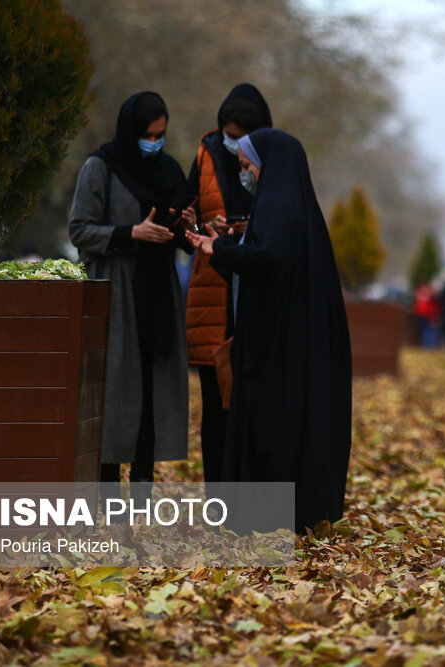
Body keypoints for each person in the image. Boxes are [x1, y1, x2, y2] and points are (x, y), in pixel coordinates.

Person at [186, 128, 352, 534]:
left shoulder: (275, 205)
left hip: (278, 347)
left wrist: (219, 249)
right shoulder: (300, 208)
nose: (245, 174)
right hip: (300, 344)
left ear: (269, 165)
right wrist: (232, 243)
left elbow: (265, 259)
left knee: (271, 423)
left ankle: (265, 512)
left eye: (247, 166)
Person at [68, 91, 195, 501]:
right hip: (117, 293)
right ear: (131, 131)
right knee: (115, 389)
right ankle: (107, 490)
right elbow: (80, 230)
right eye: (148, 134)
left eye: (161, 134)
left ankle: (142, 487)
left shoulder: (170, 171)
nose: (154, 142)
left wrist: (188, 225)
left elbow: (183, 238)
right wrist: (131, 233)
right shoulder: (100, 168)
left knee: (151, 389)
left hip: (157, 295)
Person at [185, 84, 272, 485]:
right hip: (213, 293)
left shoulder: (271, 160)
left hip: (255, 291)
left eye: (241, 137)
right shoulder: (205, 154)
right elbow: (184, 217)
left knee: (255, 401)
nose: (233, 145)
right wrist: (207, 229)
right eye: (228, 135)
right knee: (215, 403)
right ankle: (217, 495)